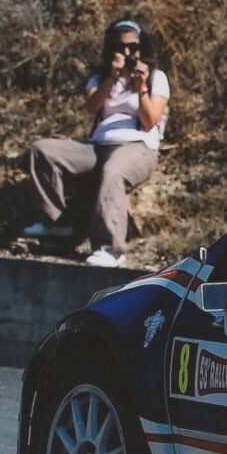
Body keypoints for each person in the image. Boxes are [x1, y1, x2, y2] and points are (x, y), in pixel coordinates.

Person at [23, 19, 171, 268]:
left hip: (137, 146)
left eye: (132, 48)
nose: (126, 53)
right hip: (98, 145)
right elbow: (92, 107)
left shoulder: (156, 77)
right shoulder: (99, 77)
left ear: (141, 48)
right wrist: (112, 79)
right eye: (119, 47)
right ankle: (56, 224)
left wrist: (141, 88)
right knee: (43, 151)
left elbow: (149, 121)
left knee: (113, 172)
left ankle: (110, 248)